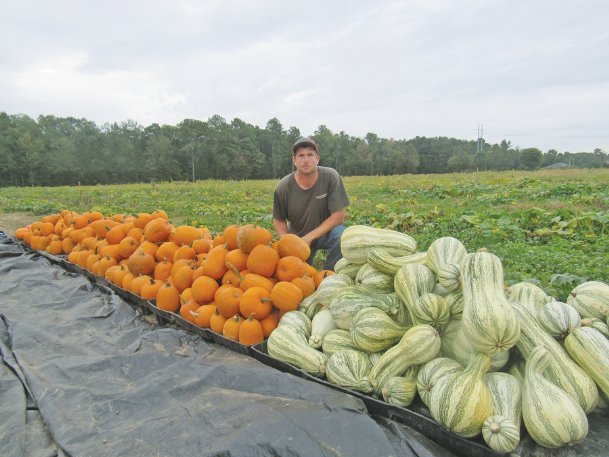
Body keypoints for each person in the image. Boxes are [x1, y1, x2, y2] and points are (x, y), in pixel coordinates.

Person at [272, 137, 350, 271]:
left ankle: (328, 276)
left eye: (310, 155)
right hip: (298, 237)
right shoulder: (283, 187)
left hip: (325, 233)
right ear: (294, 160)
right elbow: (279, 220)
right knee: (298, 275)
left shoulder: (330, 177)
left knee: (341, 236)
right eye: (301, 156)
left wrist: (309, 238)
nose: (306, 160)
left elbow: (339, 216)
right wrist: (286, 241)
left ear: (317, 159)